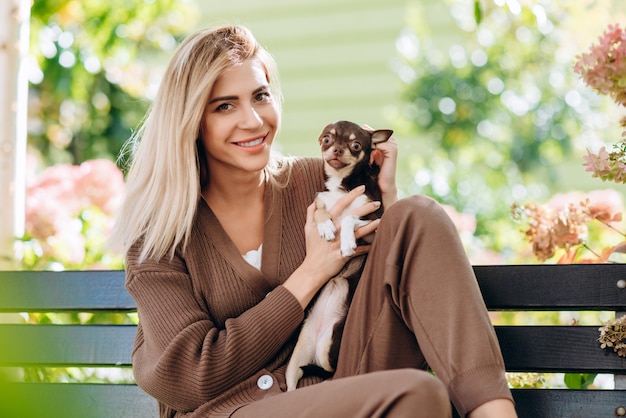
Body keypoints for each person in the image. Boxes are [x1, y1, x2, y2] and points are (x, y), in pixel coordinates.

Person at [111, 24, 517, 418]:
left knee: (417, 216)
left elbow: (382, 299)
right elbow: (191, 377)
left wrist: (385, 202)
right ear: (192, 122)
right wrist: (312, 272)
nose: (253, 121)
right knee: (415, 395)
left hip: (343, 387)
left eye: (261, 96)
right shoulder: (160, 237)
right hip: (232, 410)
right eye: (225, 106)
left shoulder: (318, 180)